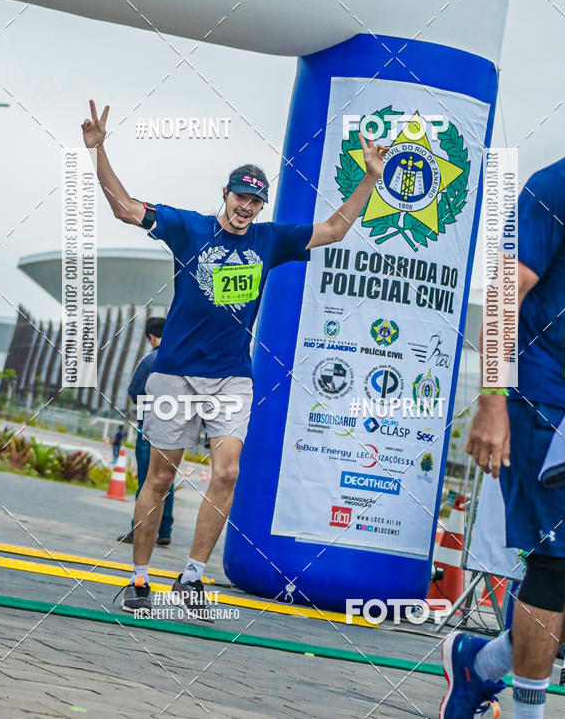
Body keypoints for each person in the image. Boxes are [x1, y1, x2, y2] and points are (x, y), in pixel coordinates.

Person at [82, 99, 388, 619]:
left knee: (227, 472)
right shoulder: (189, 229)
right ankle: (138, 579)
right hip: (175, 374)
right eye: (240, 196)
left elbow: (334, 230)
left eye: (255, 200)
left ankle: (192, 580)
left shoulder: (271, 240)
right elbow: (124, 207)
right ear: (224, 195)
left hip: (231, 380)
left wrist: (370, 179)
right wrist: (99, 150)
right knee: (159, 478)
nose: (246, 206)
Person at [440, 149, 565, 718]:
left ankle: (482, 664)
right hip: (543, 404)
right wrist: (492, 401)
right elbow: (506, 292)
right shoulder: (563, 185)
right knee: (556, 561)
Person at [117, 316, 175, 547]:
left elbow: (135, 392)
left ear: (151, 336)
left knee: (147, 482)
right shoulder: (180, 359)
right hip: (173, 432)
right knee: (165, 480)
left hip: (149, 428)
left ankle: (139, 529)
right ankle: (164, 529)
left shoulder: (150, 361)